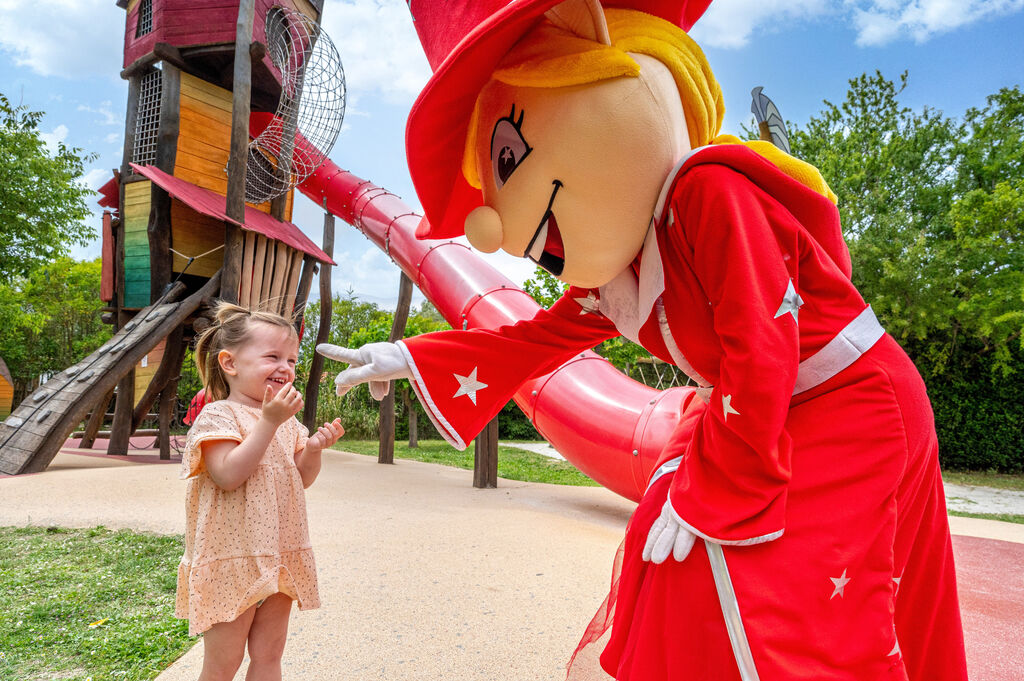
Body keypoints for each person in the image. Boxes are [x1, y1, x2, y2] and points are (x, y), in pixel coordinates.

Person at [318, 2, 968, 680]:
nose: (494, 223)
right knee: (669, 548)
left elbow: (761, 340)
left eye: (507, 158)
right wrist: (412, 355)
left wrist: (715, 489)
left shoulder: (710, 191)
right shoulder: (627, 268)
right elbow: (538, 338)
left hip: (850, 404)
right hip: (761, 406)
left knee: (784, 597)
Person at [176, 301, 344, 681]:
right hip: (231, 559)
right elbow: (227, 475)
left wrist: (313, 449)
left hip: (279, 554)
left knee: (269, 658)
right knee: (223, 664)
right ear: (230, 363)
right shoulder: (219, 414)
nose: (285, 367)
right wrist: (269, 421)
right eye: (273, 356)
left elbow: (301, 478)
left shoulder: (287, 422)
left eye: (292, 360)